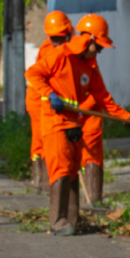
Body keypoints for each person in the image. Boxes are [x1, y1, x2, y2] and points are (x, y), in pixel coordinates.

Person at [27, 24, 96, 236]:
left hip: (73, 122)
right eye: (53, 38)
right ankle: (57, 221)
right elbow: (33, 74)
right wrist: (50, 94)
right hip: (54, 120)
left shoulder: (83, 61)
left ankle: (71, 219)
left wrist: (125, 115)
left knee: (72, 169)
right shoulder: (54, 55)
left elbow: (93, 91)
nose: (57, 42)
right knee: (60, 169)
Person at [63, 15, 130, 208]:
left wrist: (127, 117)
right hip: (61, 119)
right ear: (89, 40)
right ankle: (65, 213)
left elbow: (103, 97)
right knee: (65, 162)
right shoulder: (63, 58)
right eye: (99, 47)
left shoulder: (91, 66)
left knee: (92, 154)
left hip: (87, 115)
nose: (100, 52)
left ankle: (92, 203)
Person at [26, 12, 74, 189]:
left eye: (60, 37)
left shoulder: (70, 47)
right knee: (41, 140)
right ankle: (41, 180)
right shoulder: (48, 50)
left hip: (52, 100)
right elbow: (37, 76)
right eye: (53, 38)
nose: (57, 42)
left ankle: (49, 181)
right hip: (39, 98)